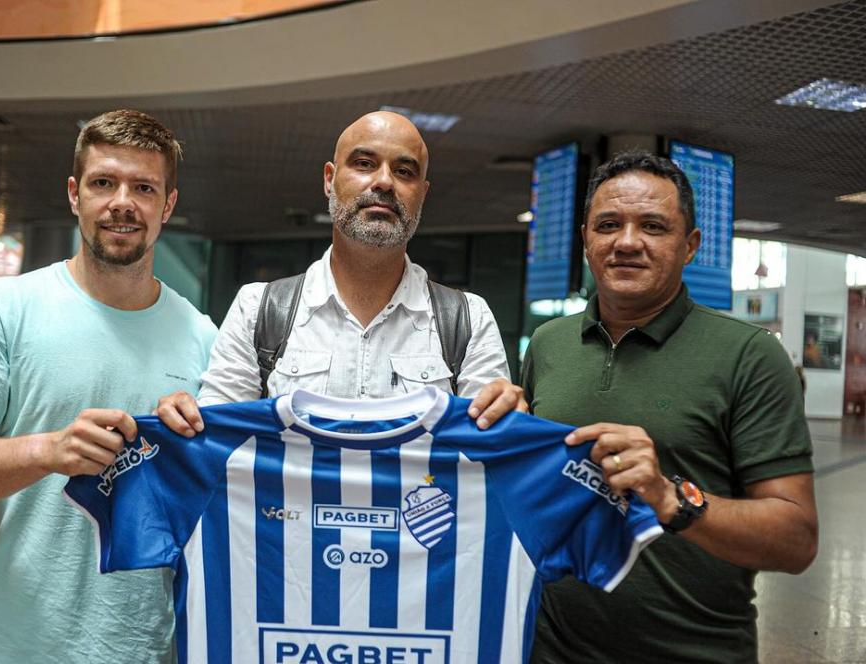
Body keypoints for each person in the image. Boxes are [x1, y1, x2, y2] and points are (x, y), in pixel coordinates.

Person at [0, 109, 218, 663]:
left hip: (135, 648)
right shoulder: (6, 308)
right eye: (105, 182)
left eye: (144, 187)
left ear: (167, 205)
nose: (122, 201)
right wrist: (47, 449)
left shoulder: (203, 337)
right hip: (0, 646)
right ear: (76, 194)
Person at [522, 150, 818, 663]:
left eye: (653, 226)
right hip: (552, 649)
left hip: (692, 651)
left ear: (690, 246)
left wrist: (672, 498)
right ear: (586, 240)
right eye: (608, 224)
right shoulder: (549, 344)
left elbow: (796, 540)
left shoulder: (750, 355)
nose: (627, 242)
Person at [156, 110, 524, 434]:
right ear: (329, 179)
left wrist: (510, 420)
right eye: (364, 163)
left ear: (422, 193)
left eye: (404, 171)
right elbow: (218, 439)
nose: (383, 182)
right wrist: (182, 423)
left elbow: (490, 451)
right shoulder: (259, 310)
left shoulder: (467, 319)